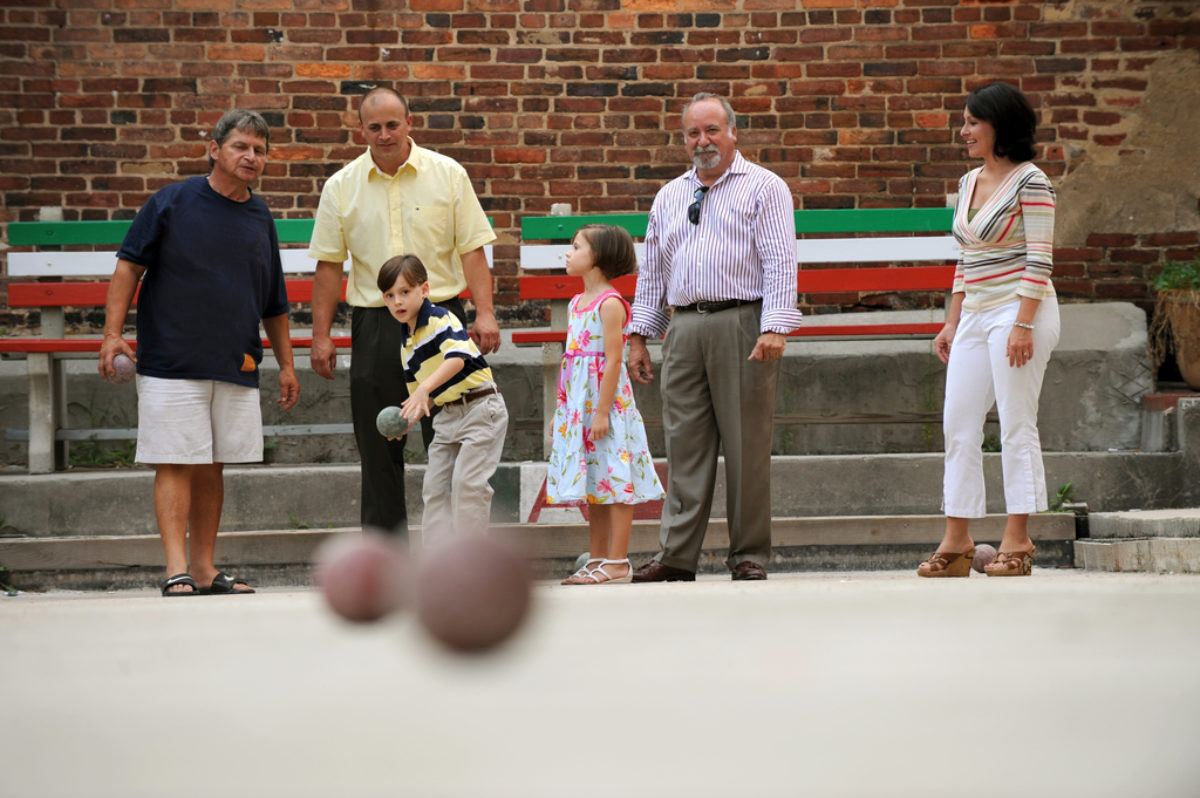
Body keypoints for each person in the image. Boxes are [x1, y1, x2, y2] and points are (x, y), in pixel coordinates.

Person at [98, 109, 299, 597]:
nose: (251, 157)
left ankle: (206, 570)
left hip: (236, 360)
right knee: (174, 460)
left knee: (214, 464)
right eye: (240, 147)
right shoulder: (172, 202)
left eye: (259, 150)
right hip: (172, 359)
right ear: (214, 149)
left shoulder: (260, 215)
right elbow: (128, 268)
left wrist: (287, 364)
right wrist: (111, 334)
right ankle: (175, 570)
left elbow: (273, 299)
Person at [626, 93, 802, 582]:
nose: (702, 142)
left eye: (711, 131)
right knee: (684, 443)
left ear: (733, 133)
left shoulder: (764, 187)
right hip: (683, 327)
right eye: (692, 134)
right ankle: (677, 556)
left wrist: (775, 326)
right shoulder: (669, 195)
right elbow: (654, 272)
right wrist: (640, 335)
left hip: (741, 322)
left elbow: (779, 260)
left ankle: (749, 553)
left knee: (747, 445)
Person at [307, 87, 497, 537]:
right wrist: (320, 336)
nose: (385, 134)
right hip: (375, 323)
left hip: (440, 320)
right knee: (377, 448)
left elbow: (472, 250)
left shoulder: (447, 175)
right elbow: (329, 267)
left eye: (393, 124)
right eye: (374, 127)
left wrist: (484, 313)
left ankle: (452, 559)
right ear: (361, 131)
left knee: (450, 441)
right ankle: (385, 562)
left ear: (409, 123)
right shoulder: (341, 186)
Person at [917, 82, 1060, 578]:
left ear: (1001, 125)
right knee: (958, 423)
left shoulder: (1031, 181)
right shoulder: (968, 180)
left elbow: (1039, 260)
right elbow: (966, 259)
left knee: (1017, 423)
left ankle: (1017, 541)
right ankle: (957, 542)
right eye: (965, 122)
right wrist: (951, 321)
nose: (964, 131)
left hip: (1021, 312)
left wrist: (1023, 324)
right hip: (976, 315)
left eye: (973, 122)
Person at [546, 225, 665, 585]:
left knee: (615, 475)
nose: (568, 253)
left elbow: (613, 361)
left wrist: (600, 412)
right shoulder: (575, 303)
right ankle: (597, 558)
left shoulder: (610, 304)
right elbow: (570, 362)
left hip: (606, 407)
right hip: (579, 406)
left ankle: (618, 560)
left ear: (598, 257)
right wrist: (561, 410)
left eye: (576, 247)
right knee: (594, 482)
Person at [377, 255, 508, 539]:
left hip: (481, 407)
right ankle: (436, 566)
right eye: (389, 295)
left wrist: (425, 389)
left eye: (405, 292)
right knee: (434, 488)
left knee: (467, 484)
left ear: (424, 290)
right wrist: (407, 422)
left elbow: (458, 358)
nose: (397, 301)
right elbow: (423, 398)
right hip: (448, 416)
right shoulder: (406, 344)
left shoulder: (440, 319)